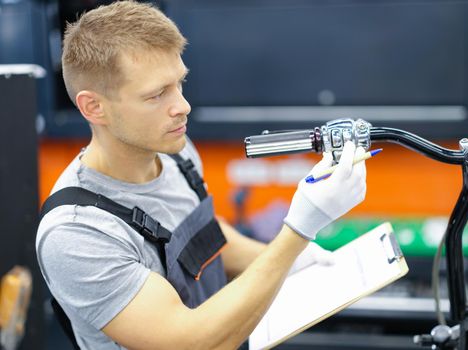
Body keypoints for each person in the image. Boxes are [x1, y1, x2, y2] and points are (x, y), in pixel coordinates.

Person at [35, 1, 367, 349]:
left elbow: (200, 234)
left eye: (180, 83)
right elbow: (192, 342)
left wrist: (287, 261)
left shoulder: (176, 152)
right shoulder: (76, 233)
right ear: (94, 107)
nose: (182, 106)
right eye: (157, 94)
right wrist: (296, 233)